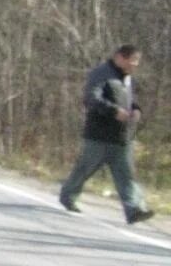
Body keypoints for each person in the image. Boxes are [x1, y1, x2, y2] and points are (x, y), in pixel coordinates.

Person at [59, 44, 154, 224]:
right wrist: (113, 111)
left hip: (122, 137)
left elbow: (130, 101)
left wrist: (136, 110)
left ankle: (134, 210)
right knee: (84, 169)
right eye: (133, 60)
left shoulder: (126, 78)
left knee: (126, 174)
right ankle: (68, 195)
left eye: (137, 61)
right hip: (99, 135)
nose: (135, 65)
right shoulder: (102, 74)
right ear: (120, 57)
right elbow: (91, 98)